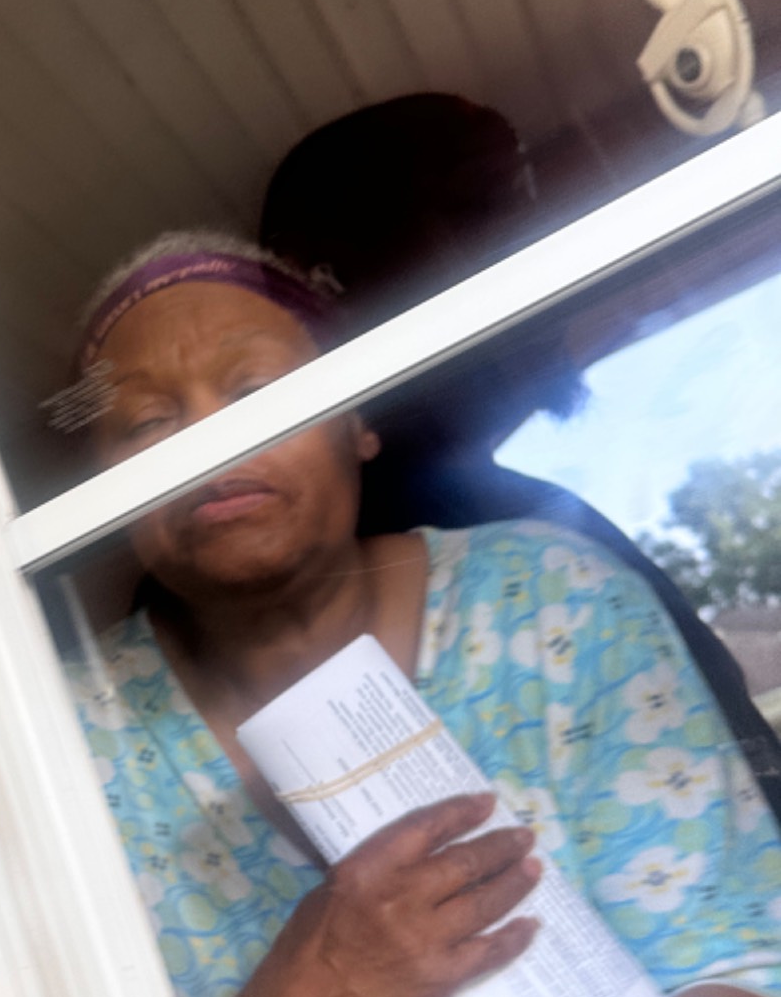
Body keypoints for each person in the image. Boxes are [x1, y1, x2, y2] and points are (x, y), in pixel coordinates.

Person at [63, 231, 781, 997]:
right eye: (146, 421)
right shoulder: (69, 748)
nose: (207, 439)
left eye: (253, 386)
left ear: (358, 420)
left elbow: (758, 986)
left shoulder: (551, 603)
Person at [259, 92, 781, 821]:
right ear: (333, 290)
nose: (536, 242)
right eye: (483, 209)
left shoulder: (516, 515)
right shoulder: (307, 584)